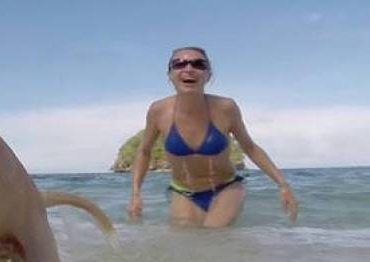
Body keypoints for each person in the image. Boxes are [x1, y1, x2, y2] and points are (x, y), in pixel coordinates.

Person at [127, 46, 298, 227]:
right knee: (183, 242)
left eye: (198, 64)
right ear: (170, 75)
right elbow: (144, 151)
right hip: (183, 191)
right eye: (179, 64)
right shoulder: (158, 111)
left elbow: (250, 148)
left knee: (213, 232)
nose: (189, 69)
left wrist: (283, 185)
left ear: (208, 75)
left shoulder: (226, 108)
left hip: (226, 187)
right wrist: (136, 193)